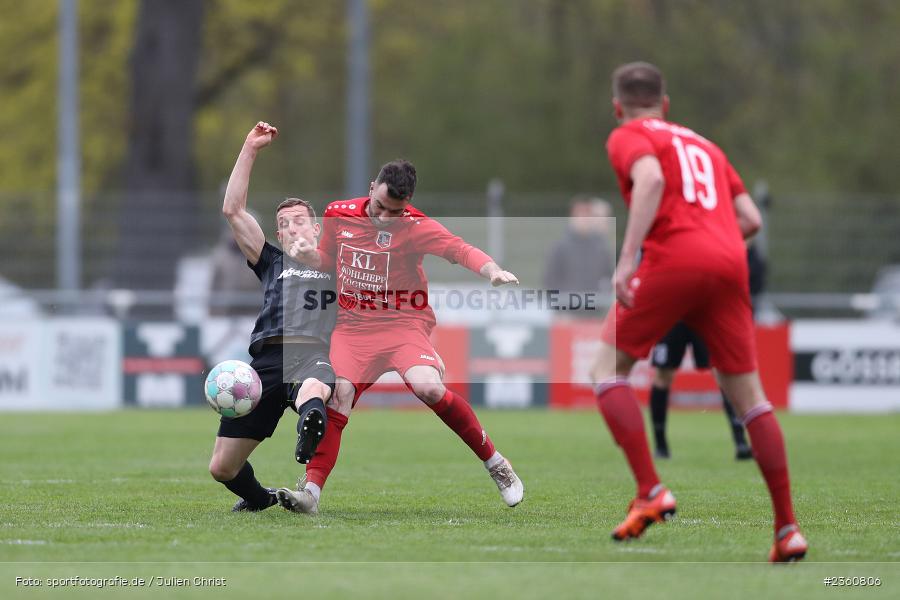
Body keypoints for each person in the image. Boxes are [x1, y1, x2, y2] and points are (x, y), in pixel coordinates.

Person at [589, 63, 807, 562]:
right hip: (731, 262)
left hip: (673, 257)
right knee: (750, 397)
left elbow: (649, 180)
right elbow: (750, 218)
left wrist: (627, 260)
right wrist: (715, 249)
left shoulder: (628, 134)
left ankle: (650, 489)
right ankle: (787, 529)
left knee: (605, 369)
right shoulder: (706, 145)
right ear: (666, 103)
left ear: (618, 106)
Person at [275, 158, 525, 514]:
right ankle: (310, 494)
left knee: (428, 388)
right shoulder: (338, 213)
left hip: (402, 325)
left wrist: (493, 270)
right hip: (353, 328)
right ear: (371, 189)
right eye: (380, 207)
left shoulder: (416, 226)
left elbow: (458, 249)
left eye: (395, 211)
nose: (385, 217)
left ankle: (497, 464)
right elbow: (327, 259)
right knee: (339, 395)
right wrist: (308, 254)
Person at [208, 122, 337, 512]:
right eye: (283, 225)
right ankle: (261, 498)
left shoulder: (338, 265)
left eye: (298, 221)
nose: (290, 228)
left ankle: (309, 430)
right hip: (262, 364)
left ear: (316, 229)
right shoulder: (272, 262)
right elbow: (232, 210)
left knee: (314, 388)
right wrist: (249, 148)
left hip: (309, 354)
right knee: (222, 467)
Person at [649, 322, 752, 460]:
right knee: (663, 375)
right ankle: (660, 446)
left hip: (703, 313)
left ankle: (741, 443)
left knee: (721, 372)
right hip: (672, 314)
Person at [543, 196, 615, 311]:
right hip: (567, 312)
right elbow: (550, 281)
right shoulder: (559, 248)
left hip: (595, 311)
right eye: (580, 215)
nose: (584, 219)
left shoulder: (601, 249)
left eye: (587, 215)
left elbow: (609, 278)